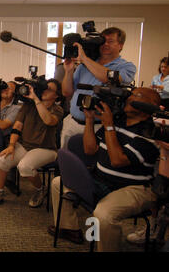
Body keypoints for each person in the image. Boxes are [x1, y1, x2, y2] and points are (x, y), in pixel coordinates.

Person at [48, 87, 161, 251]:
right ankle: (70, 229)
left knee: (104, 214)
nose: (129, 98)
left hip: (133, 188)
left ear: (151, 106)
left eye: (136, 95)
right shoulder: (118, 121)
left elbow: (117, 161)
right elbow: (90, 150)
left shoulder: (149, 133)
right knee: (59, 183)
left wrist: (109, 126)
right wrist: (89, 120)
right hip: (101, 180)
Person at [0, 79, 64, 208]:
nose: (45, 91)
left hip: (46, 149)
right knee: (0, 161)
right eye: (44, 88)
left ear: (56, 95)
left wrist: (37, 100)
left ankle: (41, 189)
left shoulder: (57, 109)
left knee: (24, 167)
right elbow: (17, 126)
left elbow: (48, 121)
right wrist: (11, 145)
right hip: (25, 145)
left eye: (49, 89)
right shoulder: (28, 105)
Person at [60, 27, 136, 149]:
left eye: (110, 41)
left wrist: (84, 58)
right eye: (103, 41)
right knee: (66, 161)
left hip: (98, 126)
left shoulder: (126, 67)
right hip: (72, 123)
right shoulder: (83, 66)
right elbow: (66, 92)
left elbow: (107, 78)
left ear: (120, 45)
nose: (105, 44)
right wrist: (68, 71)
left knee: (92, 164)